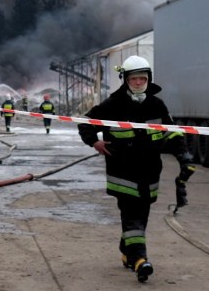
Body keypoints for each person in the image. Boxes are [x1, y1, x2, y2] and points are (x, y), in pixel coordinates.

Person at [78, 55, 196, 282]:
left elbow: (171, 132)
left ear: (148, 79)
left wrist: (183, 156)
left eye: (143, 78)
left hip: (150, 170)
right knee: (131, 213)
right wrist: (95, 142)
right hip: (122, 170)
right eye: (134, 78)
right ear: (126, 79)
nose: (139, 82)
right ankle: (140, 260)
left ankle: (127, 250)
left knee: (142, 214)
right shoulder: (113, 104)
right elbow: (86, 122)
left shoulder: (156, 104)